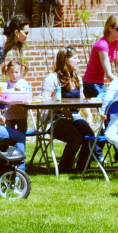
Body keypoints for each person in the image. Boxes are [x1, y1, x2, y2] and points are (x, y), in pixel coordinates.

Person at [40, 46, 94, 174]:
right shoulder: (52, 78)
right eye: (75, 58)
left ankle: (83, 166)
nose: (78, 61)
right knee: (75, 137)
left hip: (75, 116)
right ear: (66, 60)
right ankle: (65, 167)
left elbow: (82, 99)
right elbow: (45, 100)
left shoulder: (77, 78)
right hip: (55, 118)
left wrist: (89, 115)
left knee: (90, 136)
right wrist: (63, 110)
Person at [82, 15, 118, 98]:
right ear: (109, 28)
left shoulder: (117, 42)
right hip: (90, 84)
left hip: (100, 83)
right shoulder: (102, 45)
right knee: (108, 102)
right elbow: (109, 74)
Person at [0, 60, 32, 132]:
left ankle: (22, 143)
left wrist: (21, 90)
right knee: (10, 133)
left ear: (20, 73)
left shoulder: (23, 83)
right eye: (11, 72)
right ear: (7, 72)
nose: (14, 74)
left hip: (21, 113)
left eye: (16, 72)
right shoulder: (6, 84)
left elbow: (29, 93)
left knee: (22, 132)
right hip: (10, 113)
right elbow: (2, 95)